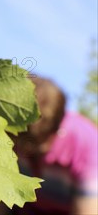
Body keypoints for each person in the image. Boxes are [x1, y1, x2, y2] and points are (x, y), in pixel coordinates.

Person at [9, 76, 98, 214]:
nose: (22, 151)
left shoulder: (87, 145)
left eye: (33, 148)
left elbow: (86, 210)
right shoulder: (12, 130)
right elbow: (2, 197)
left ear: (55, 131)